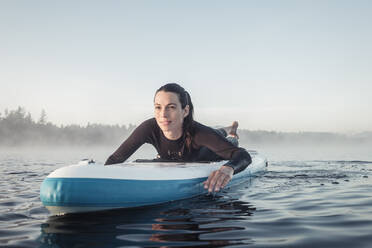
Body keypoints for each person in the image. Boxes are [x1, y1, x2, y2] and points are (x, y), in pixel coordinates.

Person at [105, 83, 252, 193]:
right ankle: (227, 128)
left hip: (211, 151)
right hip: (202, 140)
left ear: (185, 110)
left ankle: (231, 131)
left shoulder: (199, 133)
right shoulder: (148, 128)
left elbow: (243, 155)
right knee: (215, 132)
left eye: (171, 107)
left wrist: (228, 168)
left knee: (226, 138)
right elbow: (116, 158)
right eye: (158, 107)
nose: (163, 114)